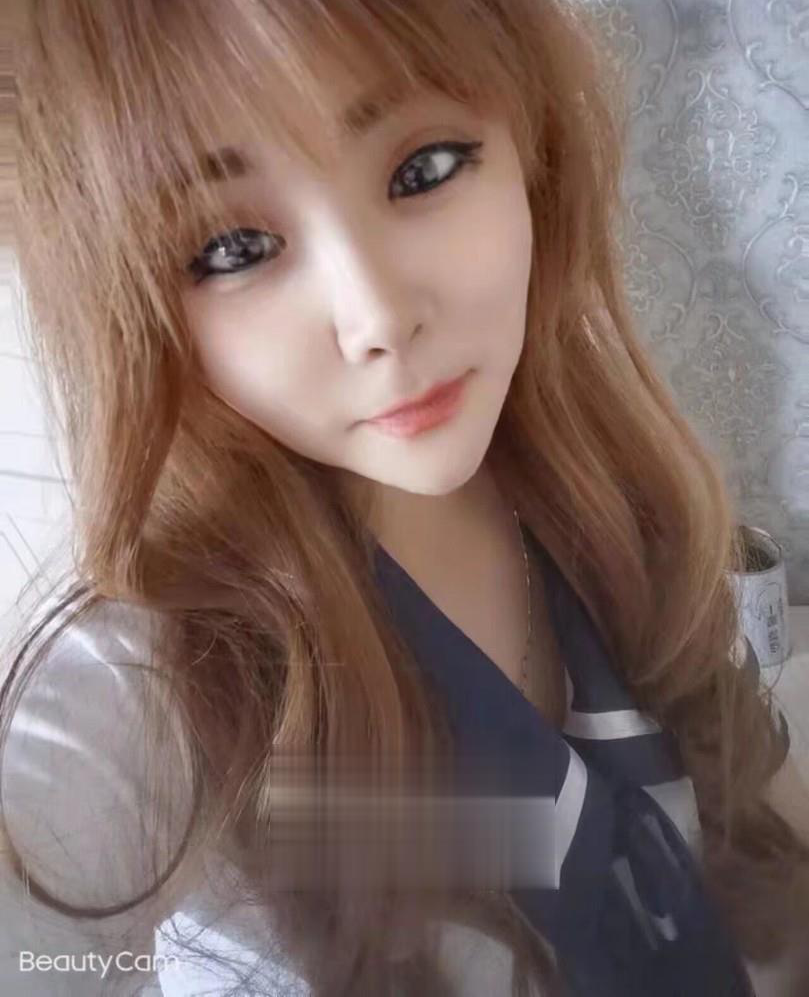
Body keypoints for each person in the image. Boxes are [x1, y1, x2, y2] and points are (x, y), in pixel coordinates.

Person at [1, 1, 808, 994]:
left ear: (533, 153)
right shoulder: (161, 675)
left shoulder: (615, 505)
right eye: (233, 249)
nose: (376, 316)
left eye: (422, 169)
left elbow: (772, 853)